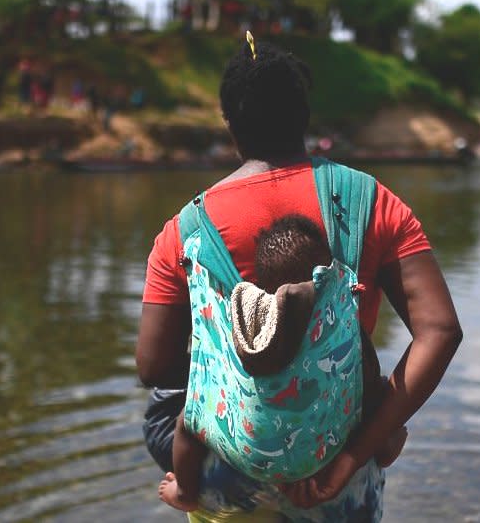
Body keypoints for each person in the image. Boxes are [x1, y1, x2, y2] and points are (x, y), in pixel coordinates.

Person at [137, 35, 461, 521]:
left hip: (230, 468)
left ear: (230, 124)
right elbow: (440, 331)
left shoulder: (184, 233)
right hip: (339, 461)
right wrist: (355, 453)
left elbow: (154, 367)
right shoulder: (372, 203)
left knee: (168, 401)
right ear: (304, 116)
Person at [157, 214, 407, 512]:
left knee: (188, 420)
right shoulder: (338, 325)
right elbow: (364, 377)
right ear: (325, 277)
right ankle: (388, 446)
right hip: (325, 452)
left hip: (250, 455)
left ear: (262, 284)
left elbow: (172, 370)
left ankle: (185, 492)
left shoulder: (246, 326)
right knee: (379, 393)